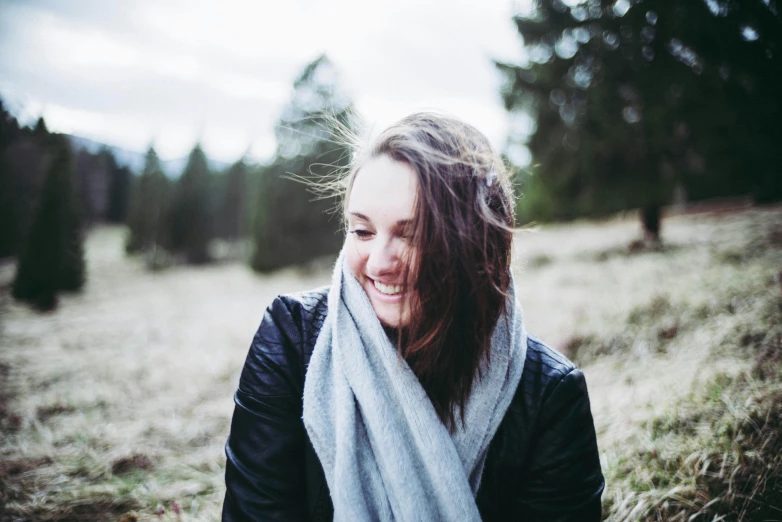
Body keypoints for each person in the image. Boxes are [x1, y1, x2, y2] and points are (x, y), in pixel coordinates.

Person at [222, 111, 604, 521]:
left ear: (477, 246)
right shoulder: (291, 340)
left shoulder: (549, 398)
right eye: (362, 231)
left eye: (412, 235)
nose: (380, 263)